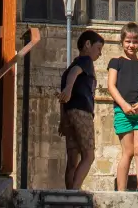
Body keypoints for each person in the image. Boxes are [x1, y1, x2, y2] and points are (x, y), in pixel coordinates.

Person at [106, 23, 138, 191]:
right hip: (123, 111)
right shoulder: (116, 62)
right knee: (128, 151)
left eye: (135, 42)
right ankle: (121, 190)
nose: (131, 45)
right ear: (122, 42)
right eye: (128, 41)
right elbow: (111, 86)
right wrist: (124, 105)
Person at [58, 30, 105, 189]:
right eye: (98, 48)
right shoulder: (85, 61)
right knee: (88, 156)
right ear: (87, 44)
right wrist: (70, 88)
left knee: (72, 159)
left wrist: (62, 119)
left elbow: (63, 98)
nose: (100, 53)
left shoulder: (70, 67)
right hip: (82, 112)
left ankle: (68, 194)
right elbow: (75, 73)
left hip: (69, 113)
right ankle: (74, 192)